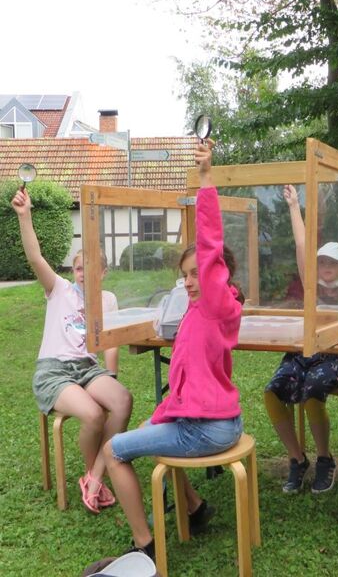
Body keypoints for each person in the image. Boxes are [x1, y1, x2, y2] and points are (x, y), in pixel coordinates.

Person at [103, 138, 245, 560]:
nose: (188, 281)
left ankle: (145, 547)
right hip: (209, 418)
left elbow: (210, 244)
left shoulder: (217, 304)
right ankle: (196, 509)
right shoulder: (197, 311)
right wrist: (159, 416)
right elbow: (183, 380)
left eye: (195, 273)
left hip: (207, 427)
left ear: (216, 274)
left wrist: (205, 178)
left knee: (113, 452)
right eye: (184, 275)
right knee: (148, 430)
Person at [11, 188, 132, 514]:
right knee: (93, 414)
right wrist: (25, 216)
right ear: (72, 271)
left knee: (122, 401)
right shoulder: (59, 289)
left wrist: (111, 377)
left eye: (90, 268)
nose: (83, 273)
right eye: (79, 268)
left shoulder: (107, 300)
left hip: (88, 369)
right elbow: (35, 258)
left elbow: (110, 344)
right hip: (54, 370)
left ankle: (94, 476)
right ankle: (95, 477)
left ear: (103, 273)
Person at [264, 184, 338, 494]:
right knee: (272, 392)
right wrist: (295, 206)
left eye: (333, 263)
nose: (327, 268)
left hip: (331, 358)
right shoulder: (310, 285)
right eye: (322, 262)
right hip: (301, 354)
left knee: (311, 392)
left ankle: (324, 459)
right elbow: (301, 243)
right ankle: (297, 459)